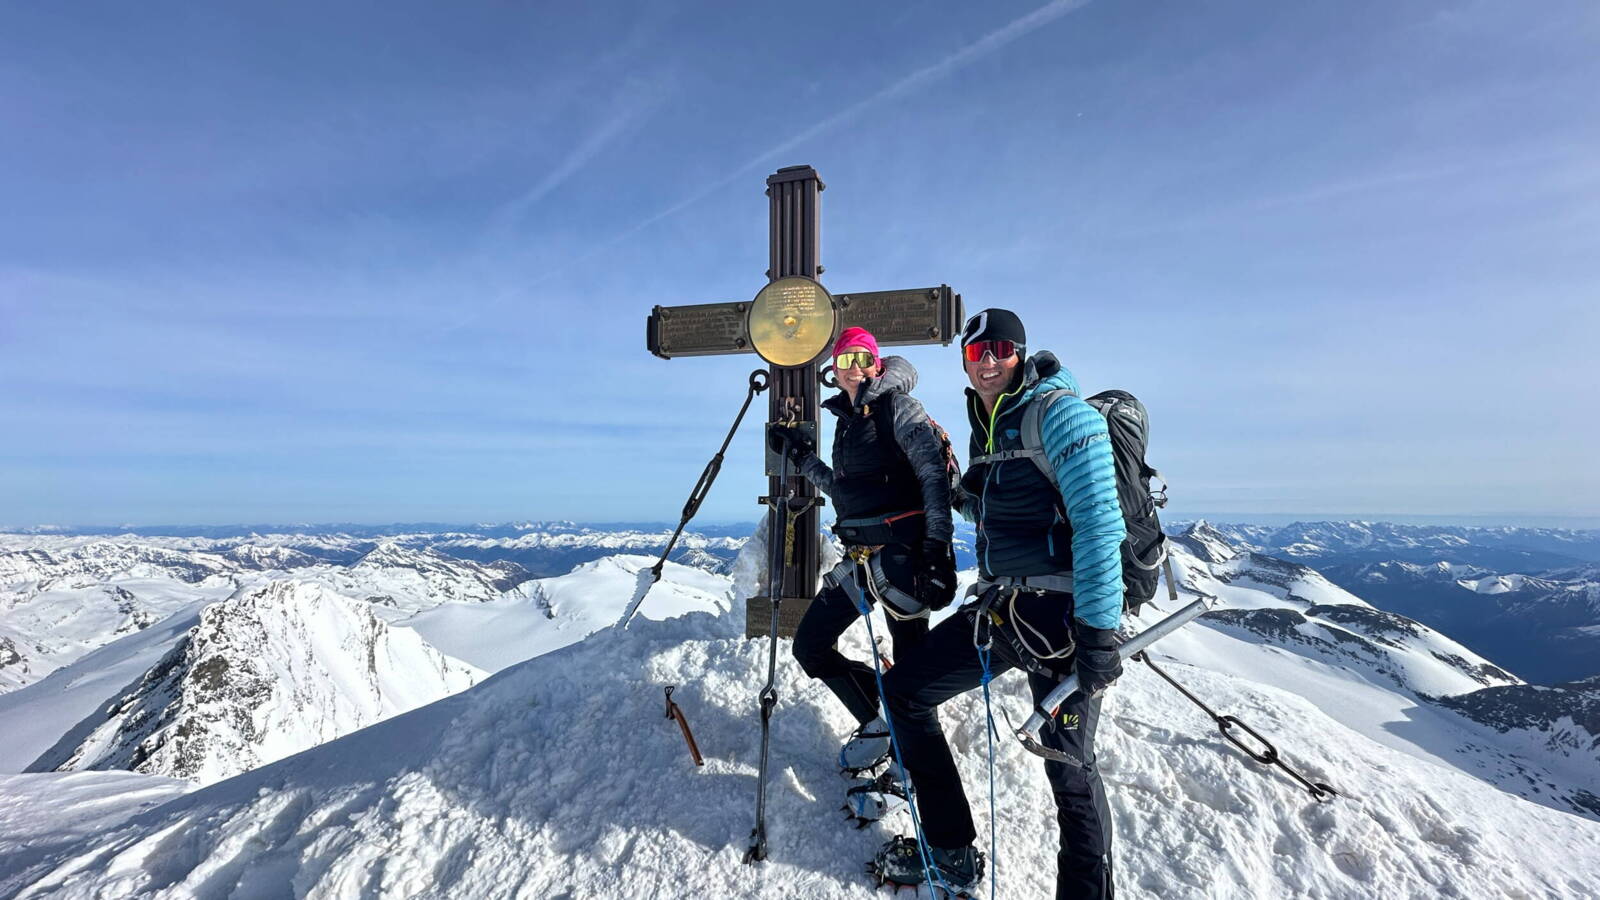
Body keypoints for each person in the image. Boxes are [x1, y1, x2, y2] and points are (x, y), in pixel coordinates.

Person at [875, 308, 1126, 898]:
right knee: (905, 691)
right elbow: (994, 510)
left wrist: (1098, 633)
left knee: (1068, 768)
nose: (988, 360)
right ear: (965, 360)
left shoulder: (1060, 414)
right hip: (1004, 610)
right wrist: (946, 485)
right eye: (976, 351)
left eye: (1001, 348)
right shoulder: (985, 423)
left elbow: (1099, 524)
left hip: (1063, 623)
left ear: (1020, 354)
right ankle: (951, 850)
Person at [768, 326, 958, 785]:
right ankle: (880, 719)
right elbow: (846, 494)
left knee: (910, 672)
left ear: (877, 364)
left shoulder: (899, 407)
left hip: (905, 559)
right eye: (843, 359)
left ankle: (909, 768)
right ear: (833, 370)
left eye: (861, 358)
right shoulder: (848, 420)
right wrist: (802, 458)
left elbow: (933, 479)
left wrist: (936, 549)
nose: (852, 368)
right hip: (861, 559)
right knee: (810, 645)